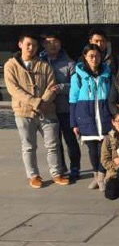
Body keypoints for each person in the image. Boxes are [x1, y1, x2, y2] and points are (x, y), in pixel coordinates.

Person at [4, 33, 68, 188]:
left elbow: (51, 87)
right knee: (28, 146)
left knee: (53, 144)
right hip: (24, 112)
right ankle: (33, 175)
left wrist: (43, 102)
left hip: (47, 111)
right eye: (28, 44)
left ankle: (56, 173)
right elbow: (13, 89)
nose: (31, 48)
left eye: (34, 45)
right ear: (20, 45)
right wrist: (35, 102)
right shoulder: (11, 65)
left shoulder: (44, 65)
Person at [69, 43, 112, 191]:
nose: (94, 59)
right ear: (85, 57)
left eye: (97, 56)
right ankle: (96, 176)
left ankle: (101, 177)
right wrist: (74, 123)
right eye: (91, 56)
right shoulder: (78, 76)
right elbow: (73, 100)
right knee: (92, 152)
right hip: (86, 118)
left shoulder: (107, 74)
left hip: (104, 118)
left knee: (104, 151)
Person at [39, 31, 80, 181]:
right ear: (43, 44)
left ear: (60, 43)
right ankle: (60, 168)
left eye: (55, 41)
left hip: (65, 109)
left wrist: (60, 87)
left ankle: (75, 167)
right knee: (54, 142)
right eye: (48, 42)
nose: (52, 45)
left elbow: (77, 86)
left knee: (70, 141)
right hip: (48, 110)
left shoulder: (69, 63)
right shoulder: (39, 62)